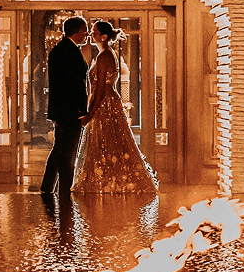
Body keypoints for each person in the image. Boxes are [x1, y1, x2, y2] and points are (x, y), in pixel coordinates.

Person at [72, 20, 159, 196]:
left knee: (105, 142)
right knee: (111, 143)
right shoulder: (106, 54)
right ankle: (110, 178)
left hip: (105, 103)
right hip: (108, 101)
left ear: (103, 37)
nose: (91, 34)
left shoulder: (104, 56)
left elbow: (101, 88)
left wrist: (91, 112)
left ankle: (107, 181)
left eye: (95, 32)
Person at [40, 16, 90, 195]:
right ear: (76, 32)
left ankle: (47, 187)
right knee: (69, 152)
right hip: (70, 111)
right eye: (85, 30)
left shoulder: (59, 49)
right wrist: (82, 111)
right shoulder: (69, 52)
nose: (87, 34)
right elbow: (74, 85)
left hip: (60, 110)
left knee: (59, 148)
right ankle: (65, 190)